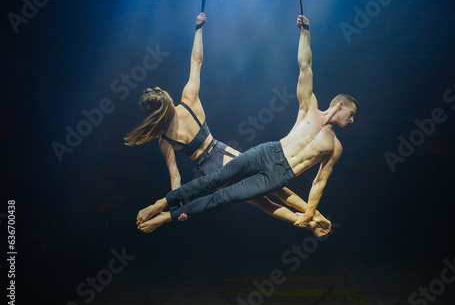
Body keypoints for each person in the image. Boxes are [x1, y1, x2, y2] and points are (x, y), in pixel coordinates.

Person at [136, 15, 358, 229]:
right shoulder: (309, 108)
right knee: (236, 192)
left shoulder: (335, 147)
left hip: (276, 173)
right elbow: (305, 67)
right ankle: (163, 210)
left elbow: (319, 182)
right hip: (267, 151)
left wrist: (310, 213)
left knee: (237, 197)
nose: (352, 119)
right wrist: (305, 33)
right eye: (351, 113)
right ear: (340, 105)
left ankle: (164, 215)